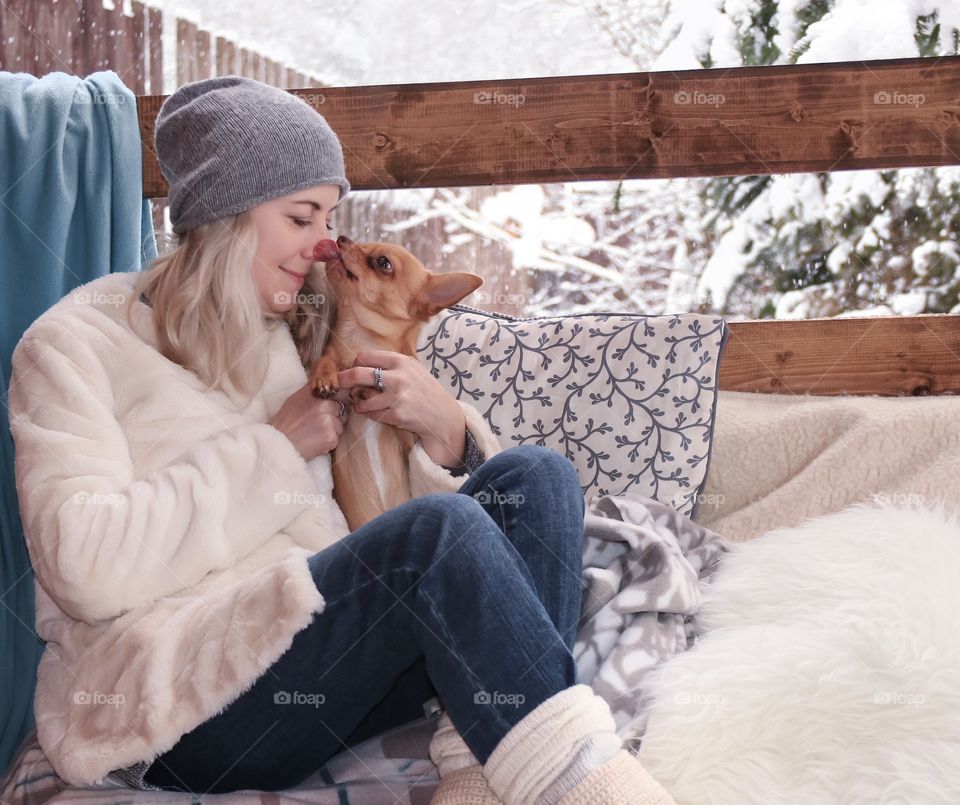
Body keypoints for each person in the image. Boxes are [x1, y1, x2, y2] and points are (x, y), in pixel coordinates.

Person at [7, 75, 675, 804]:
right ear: (227, 212)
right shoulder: (76, 342)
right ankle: (589, 786)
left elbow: (380, 512)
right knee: (435, 533)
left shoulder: (294, 332)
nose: (325, 241)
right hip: (185, 703)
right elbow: (85, 565)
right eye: (302, 217)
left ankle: (480, 773)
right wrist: (273, 449)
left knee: (535, 475)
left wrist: (446, 433)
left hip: (323, 663)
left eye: (330, 215)